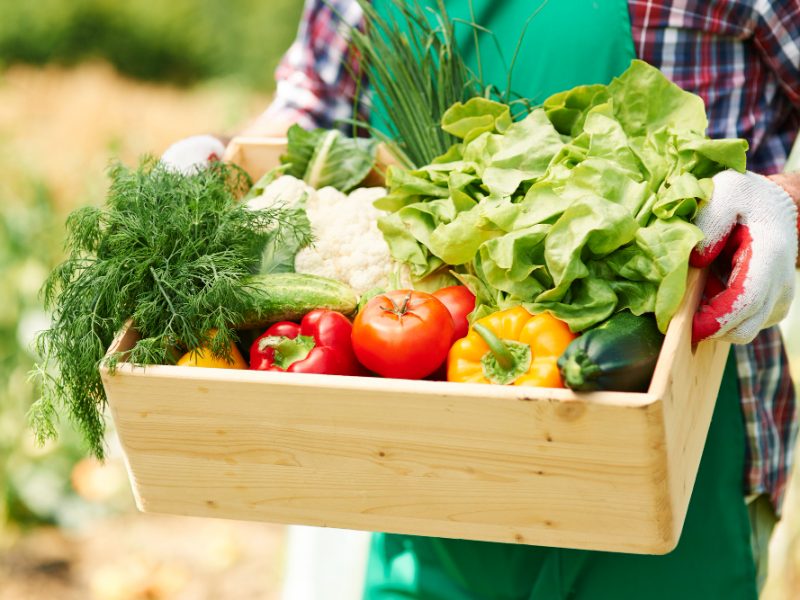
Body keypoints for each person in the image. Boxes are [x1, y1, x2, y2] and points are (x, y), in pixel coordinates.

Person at [164, 1, 800, 597]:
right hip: (418, 461)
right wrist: (221, 159)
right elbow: (313, 106)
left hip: (683, 440)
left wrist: (786, 207)